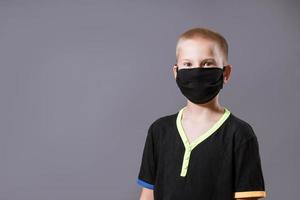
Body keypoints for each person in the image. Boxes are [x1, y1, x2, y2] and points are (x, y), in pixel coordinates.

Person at [136, 27, 267, 200]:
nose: (197, 72)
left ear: (225, 73)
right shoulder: (159, 130)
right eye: (188, 64)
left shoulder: (240, 134)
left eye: (207, 64)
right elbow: (148, 195)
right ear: (176, 72)